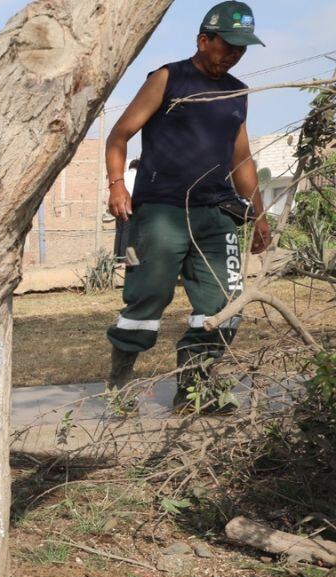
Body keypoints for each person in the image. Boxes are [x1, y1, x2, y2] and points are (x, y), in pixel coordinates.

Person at [104, 1, 271, 412]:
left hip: (217, 215)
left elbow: (242, 161)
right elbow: (119, 135)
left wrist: (261, 214)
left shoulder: (237, 92)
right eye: (227, 45)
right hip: (161, 212)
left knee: (223, 307)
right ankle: (119, 389)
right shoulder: (167, 78)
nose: (234, 54)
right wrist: (116, 186)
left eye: (241, 48)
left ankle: (192, 392)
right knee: (146, 303)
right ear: (203, 39)